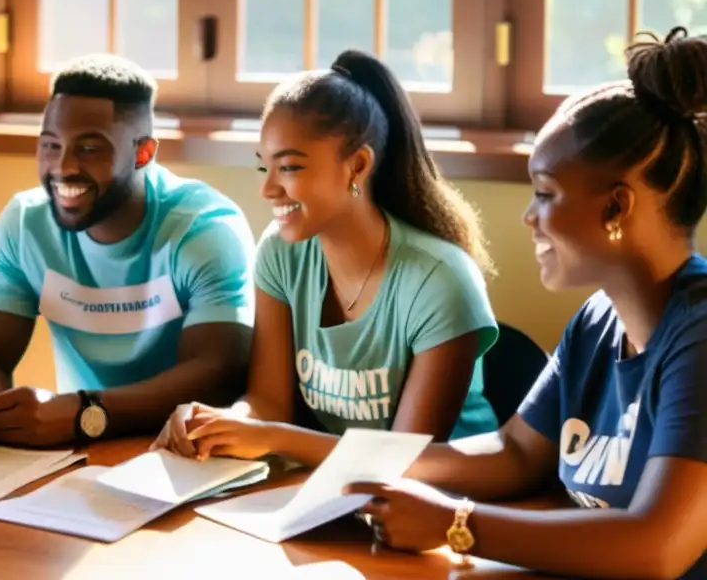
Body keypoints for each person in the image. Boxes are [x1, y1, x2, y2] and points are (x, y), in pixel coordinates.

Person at [345, 27, 707, 580]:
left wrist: (454, 523)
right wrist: (360, 464)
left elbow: (657, 545)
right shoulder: (597, 320)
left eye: (545, 193)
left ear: (617, 207)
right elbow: (515, 452)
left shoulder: (698, 337)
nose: (529, 217)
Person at [153, 49, 500, 465]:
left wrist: (274, 438)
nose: (268, 190)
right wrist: (221, 423)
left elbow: (408, 459)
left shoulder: (441, 281)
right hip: (327, 486)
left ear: (357, 165)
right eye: (266, 168)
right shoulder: (280, 253)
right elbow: (268, 403)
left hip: (444, 505)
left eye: (291, 168)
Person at [0, 53, 256, 447]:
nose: (63, 167)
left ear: (143, 153)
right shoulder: (26, 225)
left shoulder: (204, 230)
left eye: (90, 148)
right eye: (50, 145)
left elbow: (218, 374)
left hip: (190, 454)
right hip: (80, 451)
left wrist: (88, 412)